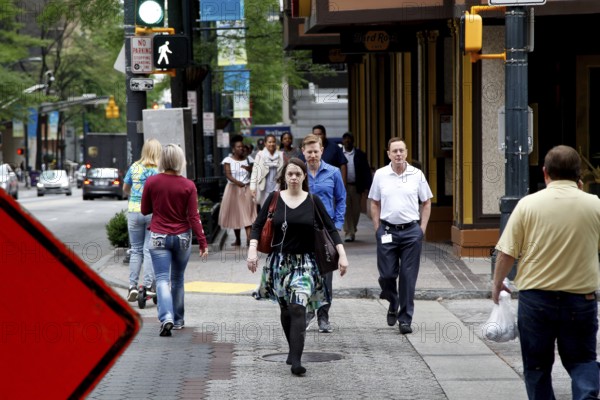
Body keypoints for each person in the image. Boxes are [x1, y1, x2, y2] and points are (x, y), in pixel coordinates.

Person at [492, 145, 600, 399]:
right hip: (580, 300)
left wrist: (497, 284)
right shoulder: (594, 205)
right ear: (578, 175)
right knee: (583, 360)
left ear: (545, 173)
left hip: (536, 300)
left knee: (537, 366)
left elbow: (507, 253)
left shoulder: (527, 205)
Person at [247, 158, 348, 376]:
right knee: (285, 310)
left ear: (304, 177)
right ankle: (293, 350)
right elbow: (257, 226)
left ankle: (297, 361)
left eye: (298, 174)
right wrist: (252, 250)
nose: (294, 177)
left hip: (305, 264)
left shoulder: (313, 201)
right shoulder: (274, 199)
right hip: (279, 263)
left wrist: (342, 255)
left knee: (298, 307)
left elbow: (331, 230)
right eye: (290, 174)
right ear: (284, 177)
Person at [141, 144, 209, 337]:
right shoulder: (188, 186)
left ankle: (166, 317)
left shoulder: (152, 182)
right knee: (177, 279)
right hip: (182, 238)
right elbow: (194, 216)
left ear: (162, 160)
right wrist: (203, 243)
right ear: (180, 161)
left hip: (158, 236)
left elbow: (145, 210)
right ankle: (178, 320)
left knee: (162, 279)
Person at [368, 137, 432, 335]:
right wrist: (377, 227)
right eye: (394, 151)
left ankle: (405, 319)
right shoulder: (380, 174)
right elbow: (374, 202)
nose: (398, 154)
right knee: (387, 275)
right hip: (387, 231)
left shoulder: (417, 174)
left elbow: (427, 201)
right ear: (388, 154)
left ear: (406, 153)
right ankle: (392, 300)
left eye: (401, 151)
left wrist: (422, 228)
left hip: (411, 232)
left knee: (407, 277)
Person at [302, 134, 346, 333]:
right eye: (309, 152)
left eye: (316, 151)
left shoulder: (333, 172)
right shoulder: (297, 172)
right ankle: (308, 311)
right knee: (305, 274)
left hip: (325, 232)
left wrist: (336, 225)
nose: (313, 155)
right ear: (303, 152)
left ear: (321, 151)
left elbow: (341, 199)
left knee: (326, 275)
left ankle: (323, 316)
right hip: (301, 231)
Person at [123, 138, 162, 302]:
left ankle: (132, 286)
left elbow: (125, 189)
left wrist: (134, 197)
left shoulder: (134, 167)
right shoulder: (159, 170)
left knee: (136, 250)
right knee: (148, 250)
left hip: (134, 211)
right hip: (152, 213)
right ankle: (147, 287)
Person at [218, 135, 257, 247]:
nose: (241, 148)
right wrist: (237, 182)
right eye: (238, 147)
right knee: (236, 214)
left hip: (247, 188)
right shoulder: (227, 160)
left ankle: (249, 238)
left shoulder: (249, 159)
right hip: (233, 189)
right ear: (233, 149)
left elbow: (254, 171)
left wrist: (249, 168)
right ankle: (238, 240)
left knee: (247, 213)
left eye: (242, 146)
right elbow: (228, 174)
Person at [341, 132, 372, 242]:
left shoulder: (360, 154)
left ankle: (352, 228)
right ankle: (349, 232)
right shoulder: (339, 154)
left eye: (349, 140)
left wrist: (367, 187)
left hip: (356, 186)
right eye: (345, 139)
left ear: (353, 141)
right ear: (343, 141)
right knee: (346, 209)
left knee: (356, 210)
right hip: (343, 186)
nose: (347, 141)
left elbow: (366, 171)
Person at [250, 134, 284, 209]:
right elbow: (255, 171)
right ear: (265, 143)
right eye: (269, 142)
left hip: (277, 186)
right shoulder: (260, 154)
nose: (272, 144)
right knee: (265, 209)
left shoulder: (281, 154)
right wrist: (253, 188)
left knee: (277, 208)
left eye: (273, 142)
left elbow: (283, 171)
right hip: (263, 186)